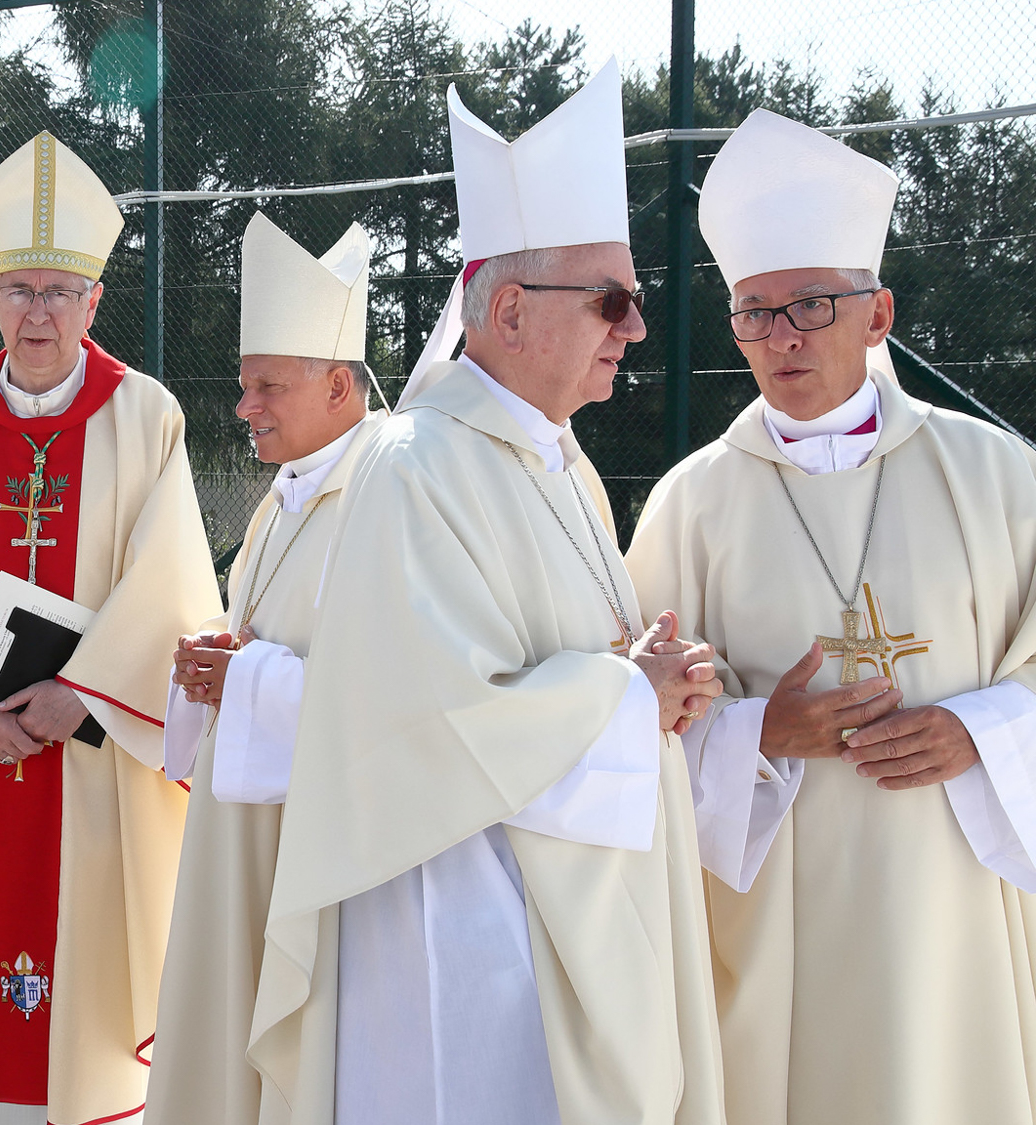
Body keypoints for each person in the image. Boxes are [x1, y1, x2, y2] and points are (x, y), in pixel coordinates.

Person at [247, 62, 727, 1125]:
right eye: (611, 300)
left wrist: (645, 683)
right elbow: (433, 727)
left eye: (633, 302)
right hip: (462, 941)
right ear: (507, 309)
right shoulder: (415, 464)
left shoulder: (558, 462)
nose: (634, 328)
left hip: (555, 913)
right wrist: (626, 698)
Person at [626, 108, 1036, 1125]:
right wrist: (758, 730)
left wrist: (977, 733)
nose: (780, 336)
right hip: (766, 922)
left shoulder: (994, 476)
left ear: (877, 314)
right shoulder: (689, 501)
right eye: (752, 312)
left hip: (947, 906)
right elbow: (624, 712)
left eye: (808, 305)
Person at [0, 130, 220, 1124]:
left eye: (60, 292)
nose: (38, 312)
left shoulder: (147, 419)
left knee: (91, 1014)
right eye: (17, 289)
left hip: (97, 761)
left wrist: (81, 691)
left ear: (93, 301)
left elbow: (172, 587)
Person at [146, 211, 384, 1125]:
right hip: (244, 840)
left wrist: (242, 680)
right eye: (245, 386)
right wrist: (216, 661)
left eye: (267, 388)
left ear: (337, 384)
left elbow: (392, 692)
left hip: (321, 858)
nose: (246, 407)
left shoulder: (384, 492)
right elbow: (266, 632)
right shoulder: (282, 500)